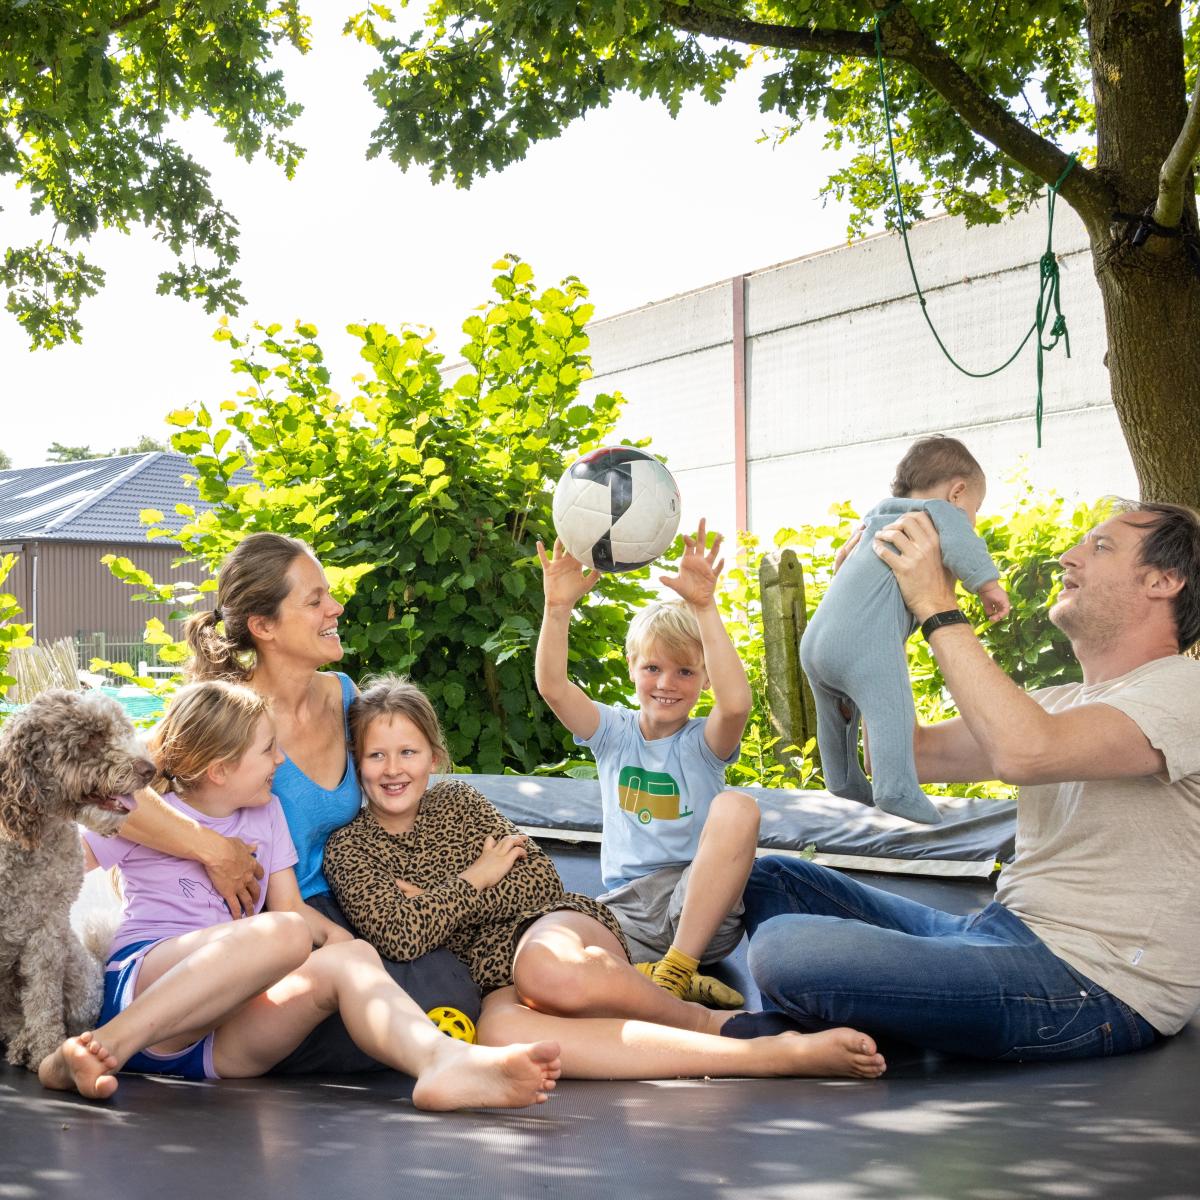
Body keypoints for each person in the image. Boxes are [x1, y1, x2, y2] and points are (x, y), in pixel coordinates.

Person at [743, 498, 1200, 1061]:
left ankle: (789, 1035)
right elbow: (918, 754)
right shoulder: (1062, 702)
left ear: (1163, 580)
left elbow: (1025, 752)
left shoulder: (1185, 691)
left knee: (787, 950)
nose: (1067, 556)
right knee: (774, 881)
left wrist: (937, 604)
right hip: (1002, 930)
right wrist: (870, 615)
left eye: (1100, 546)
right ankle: (851, 1030)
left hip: (1096, 983)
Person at [323, 675, 887, 1082]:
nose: (393, 769)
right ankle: (760, 1057)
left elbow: (536, 882)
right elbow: (396, 934)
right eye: (376, 756)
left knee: (547, 970)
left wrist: (436, 902)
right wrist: (477, 876)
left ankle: (712, 1021)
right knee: (500, 1039)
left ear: (433, 756)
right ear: (356, 763)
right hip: (487, 983)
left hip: (547, 928)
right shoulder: (350, 847)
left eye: (407, 752)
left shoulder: (462, 803)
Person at [38, 681, 560, 1107]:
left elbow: (293, 907)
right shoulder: (146, 817)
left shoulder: (267, 816)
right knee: (284, 933)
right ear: (220, 769)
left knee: (344, 952)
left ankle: (441, 1064)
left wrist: (365, 963)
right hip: (145, 982)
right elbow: (49, 868)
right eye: (269, 750)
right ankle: (102, 1045)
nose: (282, 761)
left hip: (218, 1045)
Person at [117, 531, 480, 1073]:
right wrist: (214, 851)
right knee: (400, 1008)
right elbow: (115, 794)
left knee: (453, 988)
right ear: (263, 627)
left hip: (346, 905)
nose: (335, 608)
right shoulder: (225, 715)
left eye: (328, 594)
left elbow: (394, 790)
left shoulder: (345, 695)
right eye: (314, 600)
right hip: (265, 920)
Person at [535, 520, 759, 1008]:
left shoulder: (703, 742)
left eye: (685, 672)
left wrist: (704, 606)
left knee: (739, 807)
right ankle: (651, 974)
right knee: (546, 945)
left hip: (696, 910)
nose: (667, 683)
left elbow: (737, 704)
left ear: (703, 680)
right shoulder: (613, 733)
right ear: (632, 668)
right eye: (653, 668)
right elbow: (553, 686)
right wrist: (557, 609)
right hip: (628, 911)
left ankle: (676, 970)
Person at [800, 435, 1010, 824]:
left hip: (815, 641)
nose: (973, 519)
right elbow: (963, 544)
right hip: (863, 646)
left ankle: (843, 779)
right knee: (890, 708)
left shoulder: (876, 518)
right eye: (975, 508)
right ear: (957, 492)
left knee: (833, 715)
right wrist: (987, 584)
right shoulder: (934, 513)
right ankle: (895, 788)